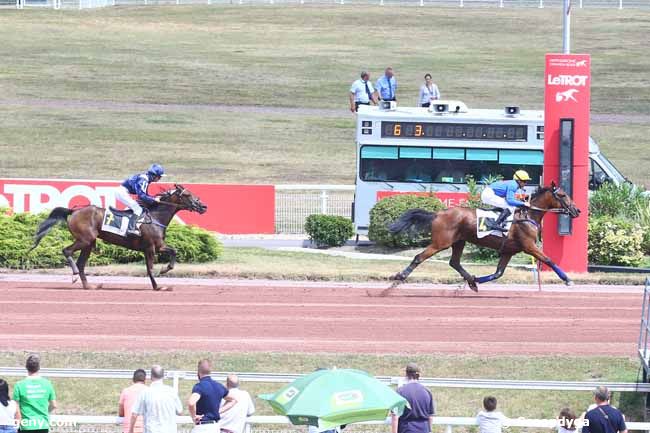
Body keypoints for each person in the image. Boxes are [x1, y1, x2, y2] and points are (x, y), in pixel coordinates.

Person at [187, 360, 237, 433]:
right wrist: (218, 411)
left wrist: (194, 416)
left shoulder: (200, 386)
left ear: (198, 371)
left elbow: (191, 403)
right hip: (214, 427)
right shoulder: (219, 386)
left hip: (202, 427)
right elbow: (233, 400)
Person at [129, 365, 182, 433]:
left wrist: (130, 430)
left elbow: (134, 414)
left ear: (151, 376)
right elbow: (180, 411)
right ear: (163, 376)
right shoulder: (172, 391)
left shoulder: (145, 393)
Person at [117, 164, 166, 235]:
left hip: (123, 191)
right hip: (121, 192)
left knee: (136, 206)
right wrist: (154, 199)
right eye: (159, 177)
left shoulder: (146, 179)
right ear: (154, 175)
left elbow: (144, 194)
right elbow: (142, 195)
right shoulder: (143, 179)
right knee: (138, 209)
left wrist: (153, 199)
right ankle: (131, 228)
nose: (159, 179)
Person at [12, 354, 56, 433]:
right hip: (43, 424)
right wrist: (45, 412)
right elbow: (54, 405)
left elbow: (16, 408)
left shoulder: (19, 385)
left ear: (26, 367)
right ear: (39, 367)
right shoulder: (47, 384)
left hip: (26, 425)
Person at [391, 363, 435, 433]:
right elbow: (430, 416)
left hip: (406, 428)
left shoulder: (400, 391)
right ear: (419, 375)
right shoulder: (427, 392)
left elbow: (395, 416)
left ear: (406, 374)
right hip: (424, 429)